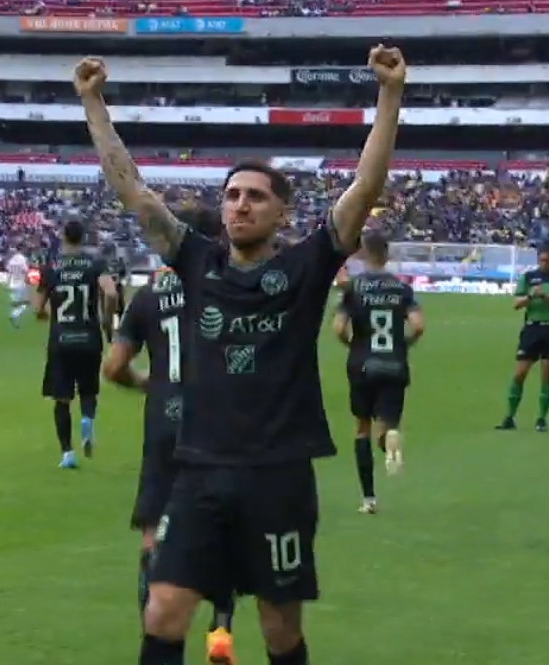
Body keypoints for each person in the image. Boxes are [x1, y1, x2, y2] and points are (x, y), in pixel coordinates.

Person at [77, 43, 405, 665]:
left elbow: (366, 187)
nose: (239, 205)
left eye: (255, 196)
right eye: (231, 196)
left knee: (279, 630)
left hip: (277, 475)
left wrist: (388, 93)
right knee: (163, 611)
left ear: (282, 210)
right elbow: (135, 193)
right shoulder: (196, 262)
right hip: (198, 470)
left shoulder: (307, 268)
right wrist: (93, 103)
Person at [103, 209, 239, 665]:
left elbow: (114, 367)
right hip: (220, 420)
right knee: (225, 525)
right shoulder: (228, 286)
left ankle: (156, 636)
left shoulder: (146, 296)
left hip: (166, 420)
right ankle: (220, 629)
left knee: (153, 535)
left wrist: (149, 383)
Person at [331, 233, 424, 514]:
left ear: (362, 253)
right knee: (386, 425)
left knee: (361, 429)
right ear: (387, 255)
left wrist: (352, 344)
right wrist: (404, 343)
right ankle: (389, 439)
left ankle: (369, 499)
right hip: (394, 363)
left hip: (362, 363)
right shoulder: (401, 288)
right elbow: (418, 325)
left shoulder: (354, 288)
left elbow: (338, 328)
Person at [32, 220, 118, 469]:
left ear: (62, 236)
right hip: (89, 337)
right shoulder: (95, 263)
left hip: (61, 339)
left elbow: (37, 308)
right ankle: (88, 420)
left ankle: (67, 453)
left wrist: (46, 315)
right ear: (83, 238)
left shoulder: (52, 266)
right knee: (89, 390)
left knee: (62, 398)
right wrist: (105, 319)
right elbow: (111, 293)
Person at [497, 243, 549, 432]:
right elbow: (516, 303)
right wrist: (531, 297)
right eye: (541, 260)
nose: (543, 264)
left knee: (546, 376)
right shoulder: (528, 277)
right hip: (531, 328)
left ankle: (541, 419)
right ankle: (510, 417)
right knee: (519, 374)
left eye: (547, 260)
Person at [7, 249, 31, 327]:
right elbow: (25, 271)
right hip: (20, 284)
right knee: (25, 303)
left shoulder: (11, 260)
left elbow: (9, 272)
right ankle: (14, 316)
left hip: (12, 284)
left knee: (16, 303)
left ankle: (14, 319)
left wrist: (7, 283)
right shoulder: (23, 259)